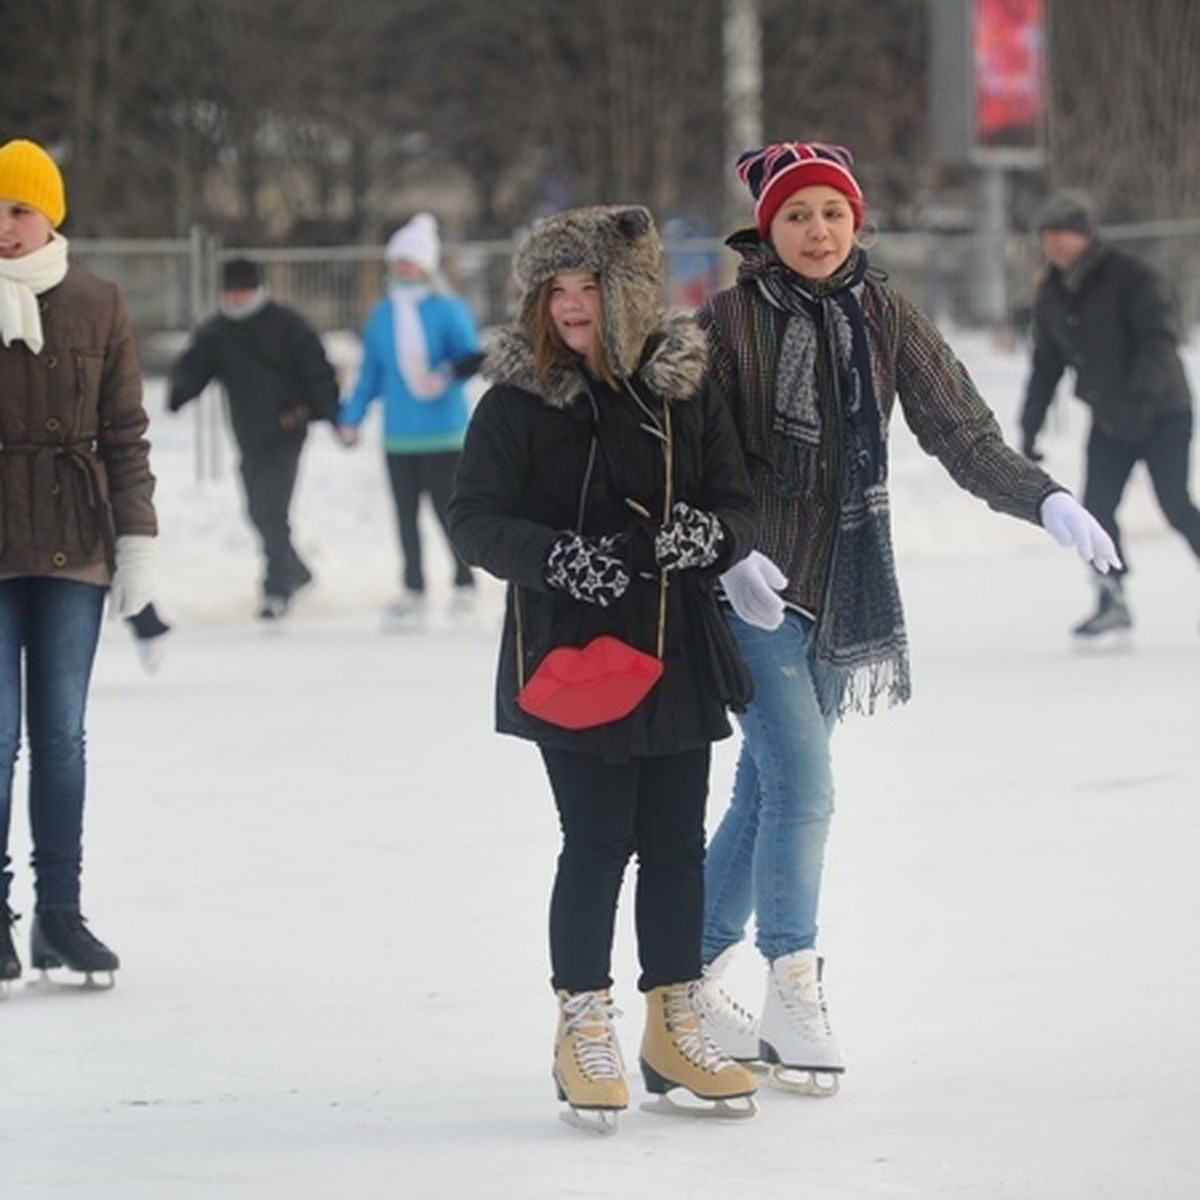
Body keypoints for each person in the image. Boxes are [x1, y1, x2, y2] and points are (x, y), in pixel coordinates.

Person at [692, 142, 1119, 1095]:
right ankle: (792, 983)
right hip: (752, 586)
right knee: (805, 788)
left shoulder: (885, 315)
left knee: (763, 795)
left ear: (858, 222)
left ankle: (681, 974)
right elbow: (687, 452)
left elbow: (960, 430)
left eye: (832, 214)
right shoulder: (725, 322)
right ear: (769, 229)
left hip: (845, 585)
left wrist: (1045, 498)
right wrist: (724, 553)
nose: (817, 231)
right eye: (798, 216)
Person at [448, 205, 760, 1129]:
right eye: (558, 290)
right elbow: (474, 519)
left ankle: (673, 1021)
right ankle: (582, 1022)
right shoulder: (515, 401)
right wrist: (558, 558)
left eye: (590, 288)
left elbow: (736, 504)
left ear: (627, 294)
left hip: (675, 645)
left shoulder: (683, 390)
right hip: (573, 653)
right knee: (597, 840)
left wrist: (709, 532)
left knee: (673, 844)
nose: (573, 307)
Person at [0, 137, 159, 986]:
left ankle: (61, 913)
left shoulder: (97, 301)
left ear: (49, 214)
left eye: (20, 210)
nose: (5, 228)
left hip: (73, 538)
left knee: (60, 735)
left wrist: (137, 540)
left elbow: (126, 434)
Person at [1019, 188, 1200, 641]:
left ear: (1085, 235)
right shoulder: (1055, 294)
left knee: (1176, 505)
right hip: (1110, 419)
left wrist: (1141, 398)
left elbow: (1160, 340)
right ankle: (1111, 597)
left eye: (1063, 234)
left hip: (1163, 412)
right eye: (1048, 236)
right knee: (1095, 510)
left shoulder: (1131, 276)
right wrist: (1030, 423)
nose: (1055, 244)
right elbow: (1046, 365)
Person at [167, 257, 339, 621]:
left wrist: (329, 412)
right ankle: (297, 570)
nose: (237, 297)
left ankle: (276, 589)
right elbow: (194, 367)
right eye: (231, 290)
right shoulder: (217, 331)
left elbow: (316, 370)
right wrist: (179, 393)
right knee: (257, 512)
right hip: (248, 434)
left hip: (286, 432)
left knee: (270, 511)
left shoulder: (286, 325)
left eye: (244, 289)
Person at [339, 213, 482, 629]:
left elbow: (470, 356)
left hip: (444, 433)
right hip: (399, 436)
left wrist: (447, 374)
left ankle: (463, 584)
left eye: (411, 261)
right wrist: (352, 417)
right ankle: (413, 588)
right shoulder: (382, 314)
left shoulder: (447, 309)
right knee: (404, 518)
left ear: (427, 265)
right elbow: (371, 374)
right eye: (398, 261)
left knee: (448, 514)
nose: (403, 269)